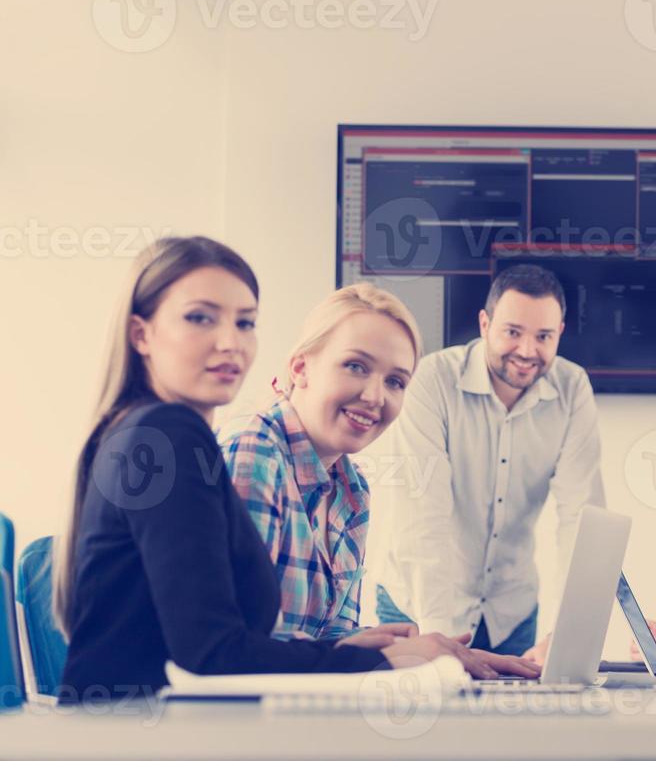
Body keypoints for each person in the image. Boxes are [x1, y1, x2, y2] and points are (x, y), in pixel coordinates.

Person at [56, 238, 486, 702]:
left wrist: (357, 650)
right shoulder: (169, 435)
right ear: (141, 334)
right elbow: (214, 657)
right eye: (200, 317)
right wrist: (385, 662)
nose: (230, 342)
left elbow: (220, 648)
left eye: (245, 323)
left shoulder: (151, 432)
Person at [218, 284, 536, 679]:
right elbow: (235, 654)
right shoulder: (255, 459)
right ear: (301, 368)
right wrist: (393, 654)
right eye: (356, 366)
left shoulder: (350, 491)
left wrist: (413, 648)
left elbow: (329, 642)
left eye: (396, 382)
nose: (375, 396)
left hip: (296, 713)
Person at [370, 264, 604, 660]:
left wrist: (565, 636)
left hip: (510, 616)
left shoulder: (572, 388)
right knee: (427, 715)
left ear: (560, 333)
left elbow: (582, 518)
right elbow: (422, 516)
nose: (527, 351)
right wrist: (439, 641)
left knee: (513, 722)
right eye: (512, 332)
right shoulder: (431, 380)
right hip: (417, 607)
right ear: (484, 324)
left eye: (543, 336)